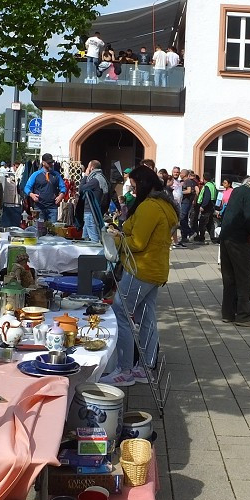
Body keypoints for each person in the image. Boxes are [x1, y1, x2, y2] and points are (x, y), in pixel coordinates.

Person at [100, 165, 179, 387]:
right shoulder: (164, 205)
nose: (133, 192)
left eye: (134, 187)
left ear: (144, 185)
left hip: (141, 269)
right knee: (147, 318)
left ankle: (125, 370)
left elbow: (137, 243)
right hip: (155, 269)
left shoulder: (149, 207)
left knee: (121, 313)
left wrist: (114, 239)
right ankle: (146, 368)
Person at [218, 170, 250, 327]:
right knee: (244, 278)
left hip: (226, 236)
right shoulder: (249, 194)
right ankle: (243, 316)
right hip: (239, 240)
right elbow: (248, 217)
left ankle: (228, 313)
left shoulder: (237, 190)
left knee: (229, 277)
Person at [24, 152, 67, 222]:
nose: (51, 164)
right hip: (39, 207)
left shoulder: (56, 175)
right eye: (48, 163)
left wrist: (60, 196)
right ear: (43, 163)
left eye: (51, 162)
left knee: (52, 230)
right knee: (39, 229)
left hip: (52, 207)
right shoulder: (36, 174)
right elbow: (26, 187)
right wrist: (32, 195)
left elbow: (63, 187)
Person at [79, 159, 110, 242]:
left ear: (91, 168)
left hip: (90, 211)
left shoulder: (95, 180)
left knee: (94, 239)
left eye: (88, 167)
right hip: (93, 211)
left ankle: (96, 254)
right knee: (85, 238)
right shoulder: (102, 178)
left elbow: (81, 189)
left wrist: (85, 176)